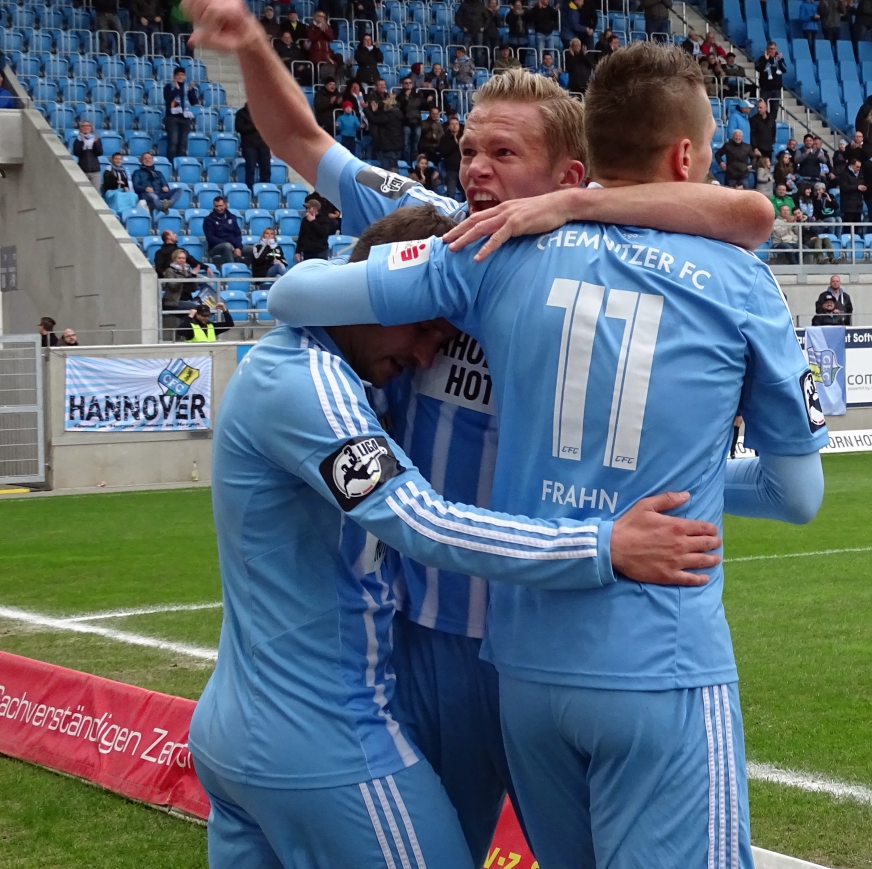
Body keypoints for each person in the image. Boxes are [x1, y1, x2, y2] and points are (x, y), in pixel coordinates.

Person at [184, 0, 779, 864]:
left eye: (503, 152)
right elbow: (306, 145)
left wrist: (696, 501)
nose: (475, 170)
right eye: (469, 147)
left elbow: (747, 215)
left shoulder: (584, 266)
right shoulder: (441, 243)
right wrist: (249, 44)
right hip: (426, 634)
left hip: (545, 631)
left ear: (571, 175)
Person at [191, 205, 732, 869]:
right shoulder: (308, 381)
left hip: (237, 728)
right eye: (422, 326)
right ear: (375, 288)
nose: (424, 353)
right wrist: (603, 545)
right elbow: (417, 519)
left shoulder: (310, 371)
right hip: (322, 737)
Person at [163, 66, 200, 161]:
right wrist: (176, 89)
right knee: (173, 142)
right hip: (172, 118)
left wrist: (191, 91)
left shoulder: (187, 88)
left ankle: (181, 163)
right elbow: (168, 99)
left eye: (182, 75)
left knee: (183, 143)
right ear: (174, 76)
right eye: (178, 75)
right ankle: (171, 163)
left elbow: (194, 102)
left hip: (185, 118)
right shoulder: (169, 86)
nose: (180, 77)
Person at [203, 195, 244, 268]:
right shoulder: (208, 220)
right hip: (215, 247)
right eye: (216, 206)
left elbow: (238, 234)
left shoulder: (232, 217)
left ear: (225, 205)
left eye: (220, 206)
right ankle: (232, 269)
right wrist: (230, 244)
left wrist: (238, 247)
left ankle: (250, 273)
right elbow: (211, 238)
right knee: (227, 246)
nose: (219, 208)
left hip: (233, 245)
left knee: (253, 249)